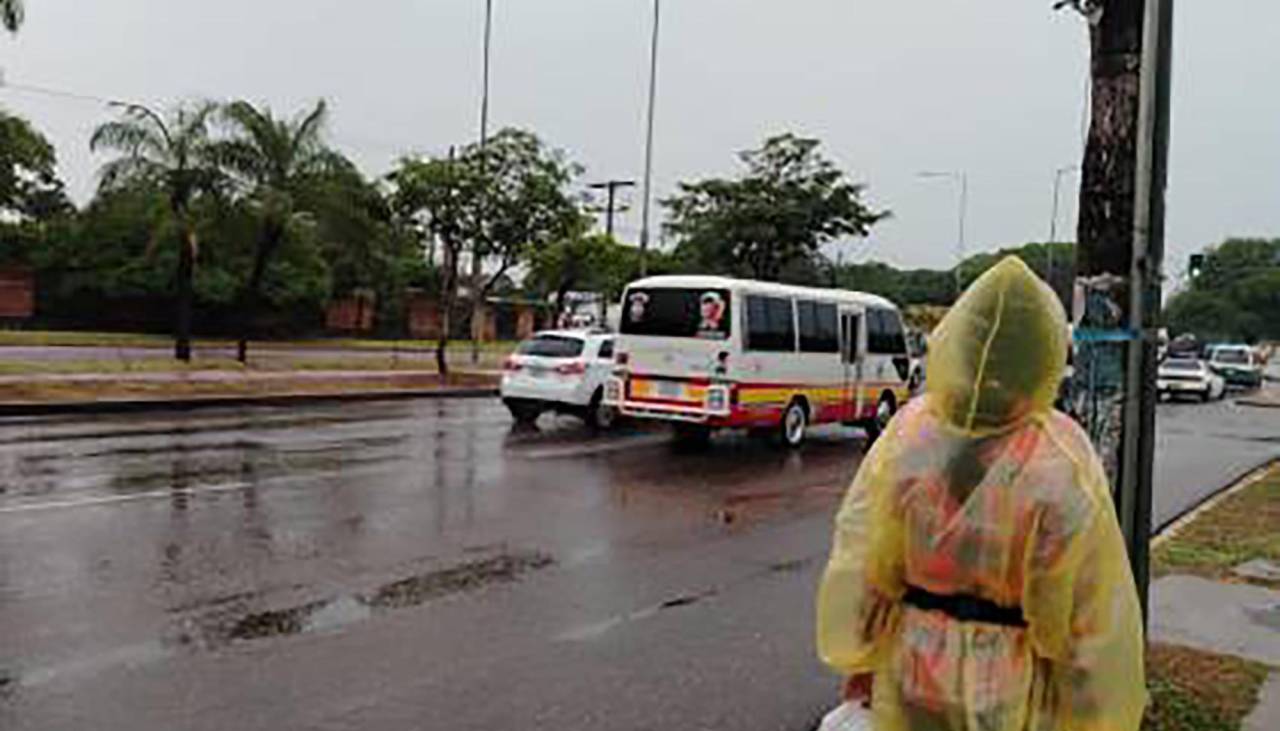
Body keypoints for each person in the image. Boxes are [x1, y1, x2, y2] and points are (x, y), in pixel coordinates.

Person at [816, 257, 1146, 731]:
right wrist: (1091, 709)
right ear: (1043, 359)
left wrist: (860, 660)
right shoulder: (1060, 458)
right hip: (1004, 683)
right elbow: (1083, 609)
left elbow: (866, 560)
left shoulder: (909, 434)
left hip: (909, 668)